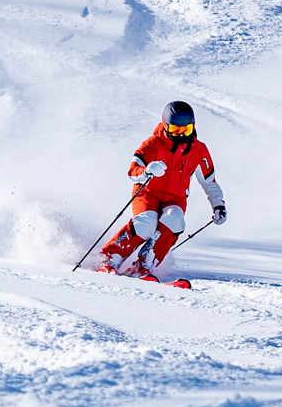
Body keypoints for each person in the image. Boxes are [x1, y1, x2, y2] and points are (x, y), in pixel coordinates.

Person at [95, 101, 226, 278]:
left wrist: (218, 205)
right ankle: (110, 259)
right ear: (165, 126)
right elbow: (132, 171)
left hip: (175, 198)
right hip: (148, 193)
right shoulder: (153, 143)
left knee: (175, 221)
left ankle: (145, 264)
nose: (180, 135)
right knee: (146, 223)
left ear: (193, 127)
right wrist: (147, 171)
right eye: (175, 130)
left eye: (185, 130)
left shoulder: (199, 150)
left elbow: (209, 181)